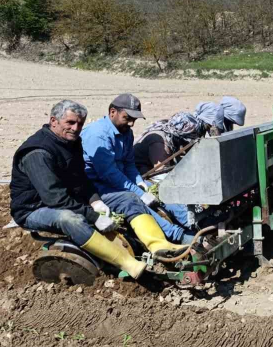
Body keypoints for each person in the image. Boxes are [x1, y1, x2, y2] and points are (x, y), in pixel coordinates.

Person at [10, 100, 186, 280]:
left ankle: (159, 246)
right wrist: (94, 217)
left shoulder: (72, 142)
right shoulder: (38, 153)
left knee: (127, 198)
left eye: (80, 123)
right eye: (70, 123)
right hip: (34, 208)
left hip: (69, 198)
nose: (76, 128)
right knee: (70, 219)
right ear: (53, 121)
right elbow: (54, 198)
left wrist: (95, 200)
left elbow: (80, 178)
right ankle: (126, 261)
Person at [80, 93, 193, 244]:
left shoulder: (126, 133)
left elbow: (129, 164)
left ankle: (191, 222)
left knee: (159, 189)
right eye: (127, 118)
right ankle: (176, 235)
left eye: (134, 119)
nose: (132, 124)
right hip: (98, 186)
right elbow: (109, 174)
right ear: (113, 112)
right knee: (133, 199)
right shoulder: (97, 135)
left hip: (119, 180)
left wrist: (140, 182)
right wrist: (139, 193)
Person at [134, 102, 225, 175]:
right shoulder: (160, 144)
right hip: (138, 173)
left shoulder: (176, 137)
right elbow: (160, 174)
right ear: (182, 136)